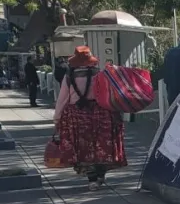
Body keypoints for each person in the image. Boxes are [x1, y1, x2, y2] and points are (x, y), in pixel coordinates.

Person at [54, 46, 126, 191]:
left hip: (77, 115)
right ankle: (101, 174)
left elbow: (62, 99)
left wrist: (57, 118)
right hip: (100, 113)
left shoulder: (69, 77)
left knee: (84, 148)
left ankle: (92, 179)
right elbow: (108, 95)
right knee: (102, 145)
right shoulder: (100, 75)